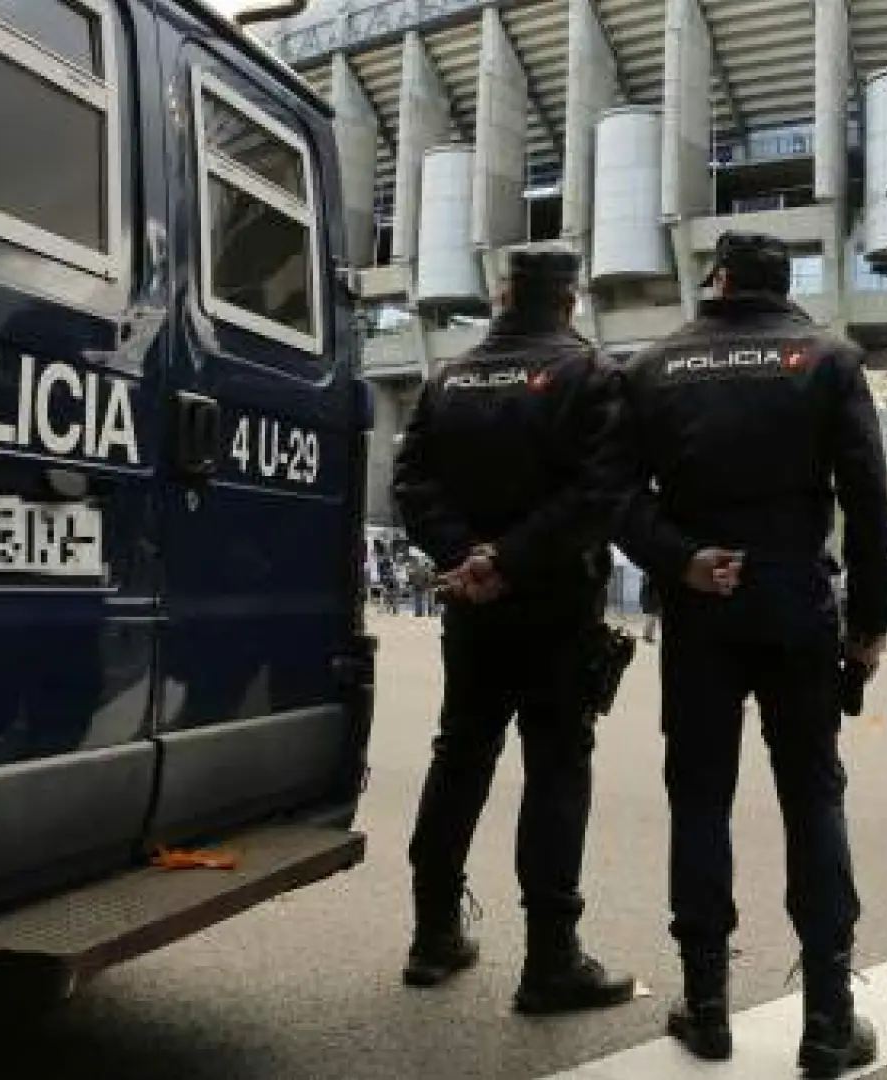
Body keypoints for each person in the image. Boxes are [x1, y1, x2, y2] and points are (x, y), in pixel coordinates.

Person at [619, 231, 887, 1075]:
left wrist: (678, 558)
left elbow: (616, 497)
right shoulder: (827, 360)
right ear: (784, 287)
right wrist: (869, 626)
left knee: (699, 798)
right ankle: (827, 1021)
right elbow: (870, 505)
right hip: (796, 606)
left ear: (720, 280)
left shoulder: (655, 366)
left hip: (703, 607)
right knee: (813, 797)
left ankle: (705, 1009)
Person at [390, 249, 637, 1014]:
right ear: (569, 302)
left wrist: (468, 559)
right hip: (558, 605)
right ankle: (551, 960)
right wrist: (511, 558)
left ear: (501, 298)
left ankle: (434, 936)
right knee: (557, 769)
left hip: (472, 607)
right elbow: (602, 494)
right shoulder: (591, 375)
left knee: (460, 754)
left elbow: (410, 483)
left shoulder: (449, 378)